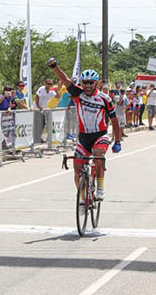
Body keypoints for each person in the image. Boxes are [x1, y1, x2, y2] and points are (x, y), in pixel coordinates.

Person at [48, 58, 121, 202]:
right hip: (83, 138)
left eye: (91, 83)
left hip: (100, 136)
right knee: (77, 169)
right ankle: (84, 198)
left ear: (96, 84)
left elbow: (114, 120)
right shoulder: (77, 93)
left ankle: (100, 187)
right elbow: (65, 79)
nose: (87, 86)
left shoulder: (104, 99)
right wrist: (54, 67)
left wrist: (117, 141)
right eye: (85, 83)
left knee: (98, 154)